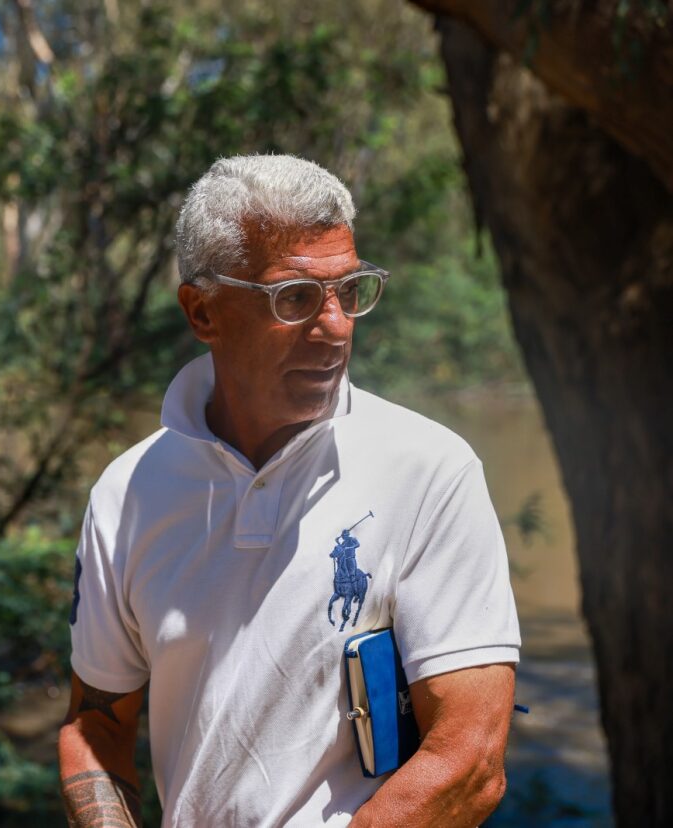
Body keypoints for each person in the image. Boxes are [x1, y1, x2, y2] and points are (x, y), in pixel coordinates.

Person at [58, 154, 521, 827]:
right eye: (295, 297)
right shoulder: (128, 492)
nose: (335, 326)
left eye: (350, 291)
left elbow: (470, 762)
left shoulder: (428, 472)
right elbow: (94, 725)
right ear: (202, 311)